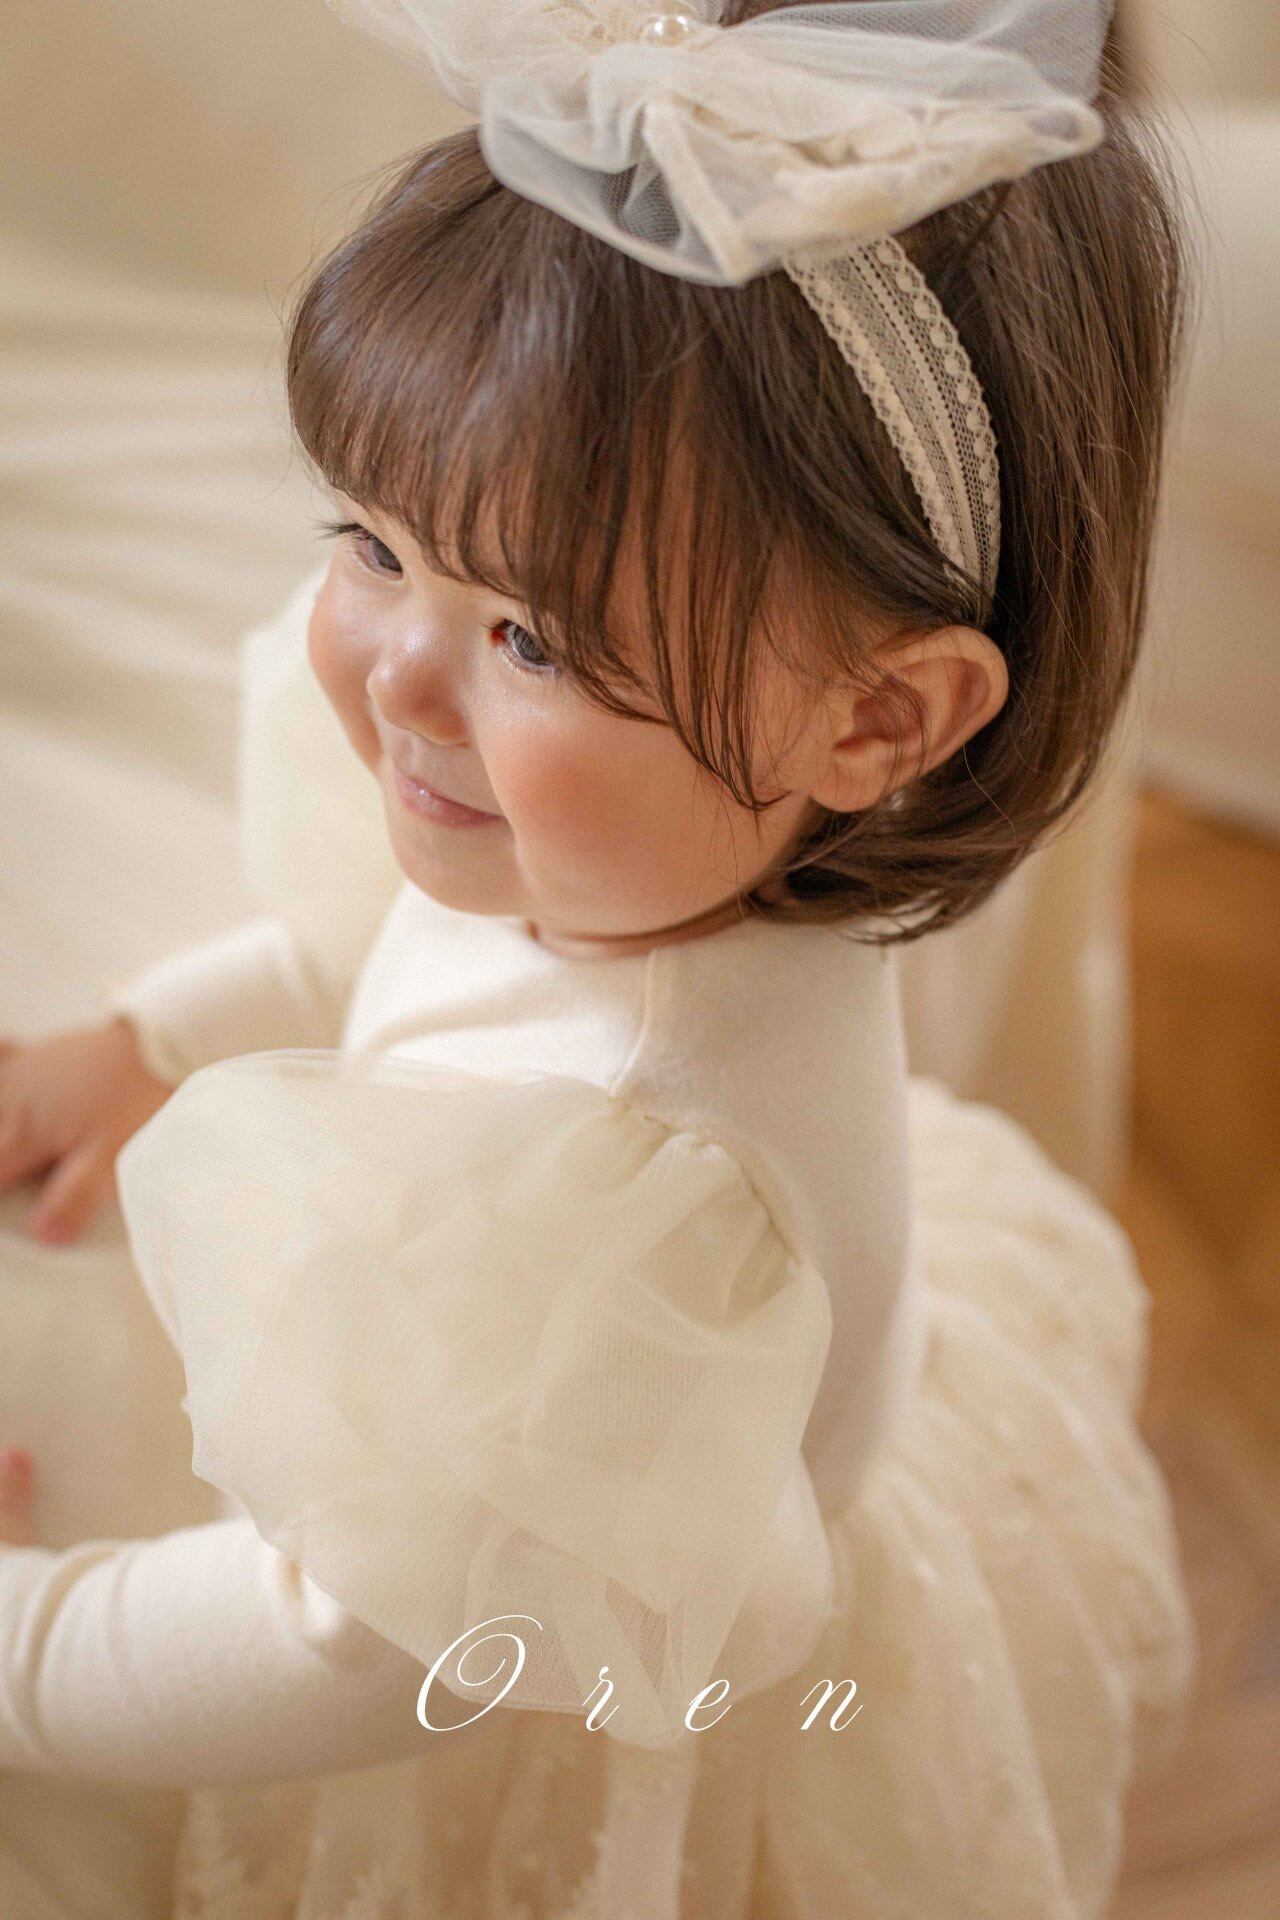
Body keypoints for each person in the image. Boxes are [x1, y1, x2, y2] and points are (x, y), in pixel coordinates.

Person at [0, 2, 1197, 1914]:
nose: (396, 677)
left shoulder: (642, 1172)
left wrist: (30, 1644)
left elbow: (351, 1636)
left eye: (534, 639)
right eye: (371, 543)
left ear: (876, 722)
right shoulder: (625, 842)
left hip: (560, 1653)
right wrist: (159, 1034)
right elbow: (373, 938)